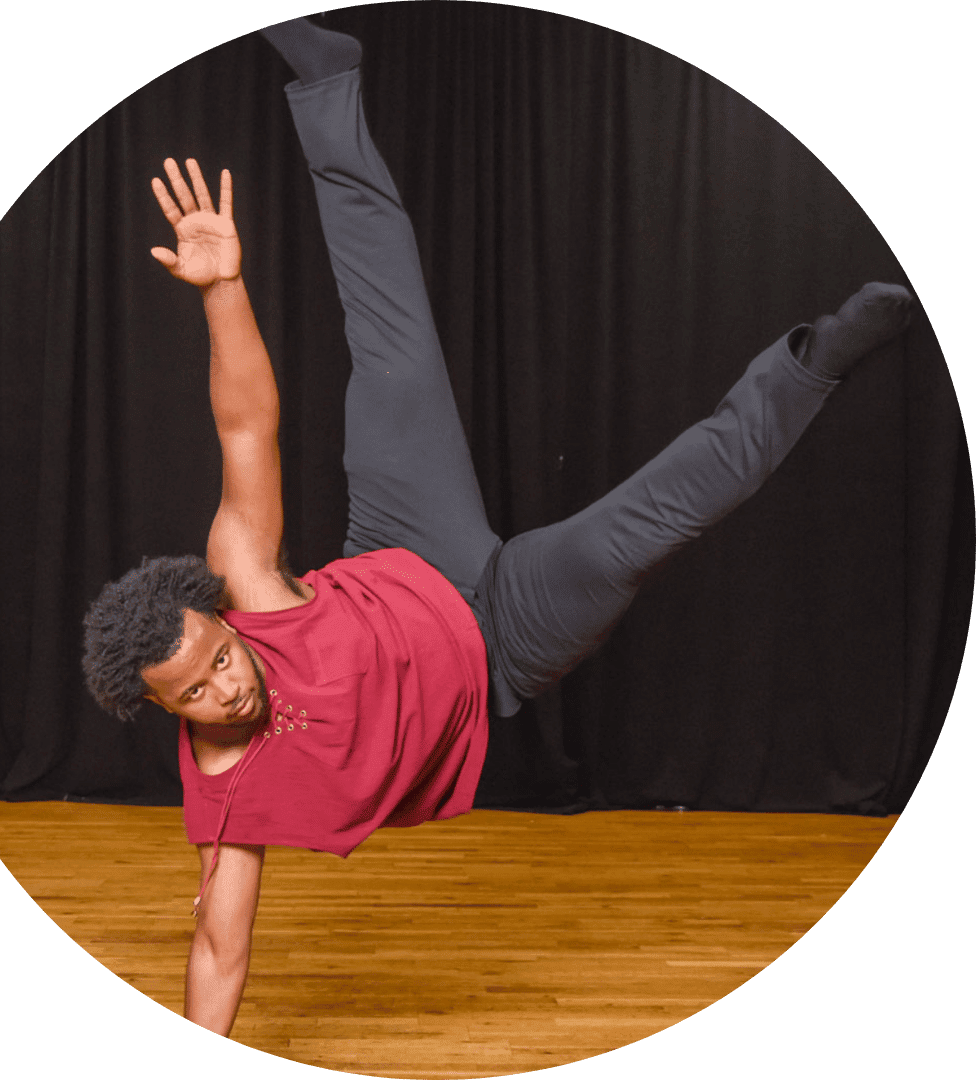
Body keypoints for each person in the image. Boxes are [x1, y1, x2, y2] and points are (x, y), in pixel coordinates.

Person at [81, 18, 913, 1036]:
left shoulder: (245, 587)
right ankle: (812, 366)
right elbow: (220, 948)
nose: (227, 682)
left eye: (216, 656)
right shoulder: (224, 801)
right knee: (649, 524)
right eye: (199, 695)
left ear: (217, 620)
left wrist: (224, 290)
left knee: (391, 344)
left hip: (405, 541)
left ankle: (329, 92)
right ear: (172, 716)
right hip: (503, 644)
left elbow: (245, 422)